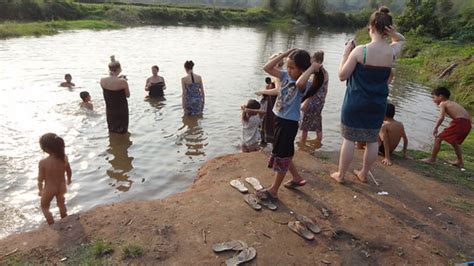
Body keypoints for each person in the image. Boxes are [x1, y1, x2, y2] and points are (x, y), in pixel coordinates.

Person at [330, 7, 405, 183]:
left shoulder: (360, 51)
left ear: (371, 27)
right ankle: (364, 173)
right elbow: (402, 40)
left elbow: (342, 76)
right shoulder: (391, 52)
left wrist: (345, 53)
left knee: (349, 138)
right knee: (372, 140)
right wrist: (395, 33)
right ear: (388, 29)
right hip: (377, 104)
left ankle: (341, 175)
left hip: (355, 102)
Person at [255, 48, 322, 200]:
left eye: (292, 67)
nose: (288, 70)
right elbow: (266, 68)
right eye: (288, 66)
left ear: (303, 69)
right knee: (283, 151)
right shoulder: (284, 75)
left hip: (289, 123)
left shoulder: (305, 83)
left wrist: (312, 68)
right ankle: (297, 178)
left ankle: (274, 190)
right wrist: (284, 55)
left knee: (283, 154)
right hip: (279, 118)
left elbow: (299, 84)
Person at [422, 87, 471, 168]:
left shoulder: (443, 103)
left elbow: (441, 117)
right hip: (467, 124)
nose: (433, 100)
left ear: (440, 97)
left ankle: (432, 159)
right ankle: (460, 161)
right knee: (454, 142)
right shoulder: (452, 103)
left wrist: (436, 128)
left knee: (438, 138)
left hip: (460, 122)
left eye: (434, 97)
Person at [37, 133, 72, 225]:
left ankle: (51, 222)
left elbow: (40, 179)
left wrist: (40, 189)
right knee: (61, 204)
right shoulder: (64, 158)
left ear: (46, 148)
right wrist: (69, 179)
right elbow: (69, 171)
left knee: (44, 206)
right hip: (61, 186)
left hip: (50, 188)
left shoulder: (43, 162)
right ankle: (64, 217)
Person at [299, 50, 329, 148]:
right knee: (317, 122)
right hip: (320, 102)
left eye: (311, 60)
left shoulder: (317, 73)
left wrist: (305, 102)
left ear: (316, 61)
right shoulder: (325, 72)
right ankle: (318, 142)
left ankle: (302, 145)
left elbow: (313, 90)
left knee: (304, 126)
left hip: (313, 102)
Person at [100, 56, 130, 134]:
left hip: (110, 109)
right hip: (121, 110)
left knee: (112, 131)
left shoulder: (102, 80)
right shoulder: (123, 82)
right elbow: (128, 95)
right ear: (119, 69)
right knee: (123, 132)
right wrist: (123, 80)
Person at [259, 77, 276, 144]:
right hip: (268, 117)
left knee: (263, 129)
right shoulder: (268, 100)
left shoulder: (264, 101)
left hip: (266, 117)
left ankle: (263, 141)